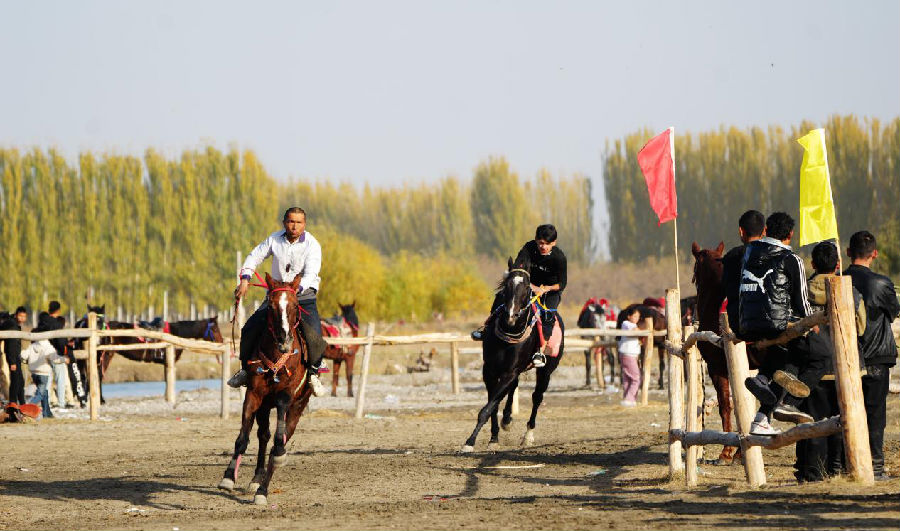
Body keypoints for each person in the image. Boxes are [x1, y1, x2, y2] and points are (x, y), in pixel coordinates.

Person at [227, 207, 328, 396]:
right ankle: (244, 371)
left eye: (298, 222)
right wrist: (245, 279)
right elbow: (254, 256)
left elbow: (311, 273)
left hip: (302, 297)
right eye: (291, 221)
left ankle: (313, 373)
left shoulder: (312, 245)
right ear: (284, 222)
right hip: (276, 297)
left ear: (304, 224)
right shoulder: (274, 239)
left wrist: (294, 290)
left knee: (315, 333)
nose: (294, 226)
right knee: (249, 328)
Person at [794, 241, 866, 482]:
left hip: (813, 369)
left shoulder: (802, 292)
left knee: (813, 423)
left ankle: (813, 473)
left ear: (812, 264)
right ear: (838, 265)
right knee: (846, 422)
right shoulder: (851, 291)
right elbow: (860, 326)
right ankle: (842, 470)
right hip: (844, 366)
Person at [738, 212, 814, 435]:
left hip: (748, 323)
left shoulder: (748, 253)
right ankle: (784, 403)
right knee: (802, 353)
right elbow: (802, 299)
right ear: (790, 234)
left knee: (778, 355)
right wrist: (809, 323)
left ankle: (762, 380)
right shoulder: (792, 259)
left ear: (766, 230)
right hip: (778, 323)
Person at [844, 230, 900, 480]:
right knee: (875, 414)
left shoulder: (838, 280)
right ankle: (876, 467)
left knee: (844, 412)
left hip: (846, 357)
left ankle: (846, 464)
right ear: (874, 254)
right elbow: (893, 312)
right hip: (877, 356)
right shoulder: (882, 283)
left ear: (847, 252)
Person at [471, 224, 567, 368]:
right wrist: (526, 284)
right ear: (536, 240)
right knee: (502, 298)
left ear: (554, 243)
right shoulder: (528, 247)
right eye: (540, 243)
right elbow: (517, 266)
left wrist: (545, 289)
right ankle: (486, 329)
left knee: (547, 316)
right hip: (528, 286)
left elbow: (562, 283)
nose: (543, 247)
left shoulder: (559, 257)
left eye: (547, 244)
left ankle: (540, 351)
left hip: (549, 292)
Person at [721, 210, 765, 336]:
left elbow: (725, 288)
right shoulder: (774, 255)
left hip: (739, 325)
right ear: (764, 231)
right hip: (768, 324)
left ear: (741, 231)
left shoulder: (730, 258)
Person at [1, 307, 28, 404]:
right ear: (16, 315)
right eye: (20, 316)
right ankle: (13, 402)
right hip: (12, 356)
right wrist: (12, 362)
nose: (22, 318)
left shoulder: (14, 324)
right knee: (16, 380)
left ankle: (22, 402)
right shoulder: (13, 326)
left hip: (16, 356)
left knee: (20, 380)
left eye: (24, 316)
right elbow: (12, 345)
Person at [617, 307, 642, 406]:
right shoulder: (626, 323)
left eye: (638, 317)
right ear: (629, 316)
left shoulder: (633, 324)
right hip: (628, 354)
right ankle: (629, 399)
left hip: (629, 354)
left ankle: (628, 399)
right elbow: (635, 330)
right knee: (636, 378)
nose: (636, 318)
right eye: (635, 316)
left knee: (628, 378)